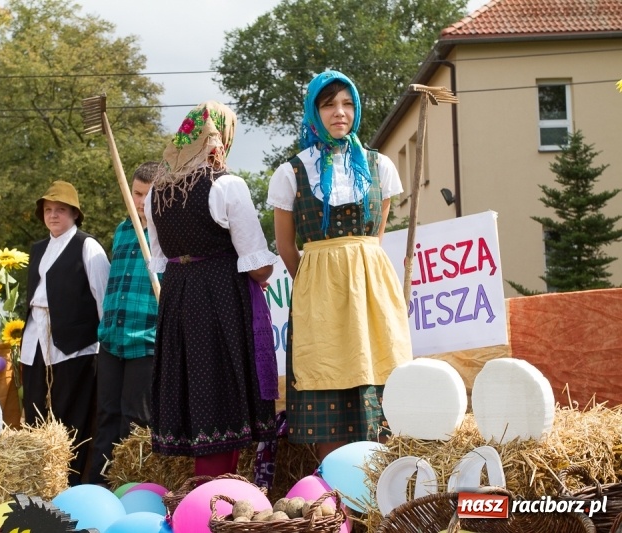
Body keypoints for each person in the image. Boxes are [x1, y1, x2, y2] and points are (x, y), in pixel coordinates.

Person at [267, 70, 413, 461]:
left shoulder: (379, 166)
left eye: (347, 103)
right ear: (314, 111)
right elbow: (285, 245)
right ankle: (335, 490)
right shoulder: (292, 171)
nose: (339, 112)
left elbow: (375, 235)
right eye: (329, 104)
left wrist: (360, 276)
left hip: (370, 285)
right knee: (326, 386)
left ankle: (381, 488)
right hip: (318, 289)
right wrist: (317, 282)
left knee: (378, 378)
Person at [145, 101, 279, 478]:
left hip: (177, 296)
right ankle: (212, 490)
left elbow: (160, 256)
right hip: (218, 294)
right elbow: (257, 262)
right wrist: (262, 271)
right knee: (221, 389)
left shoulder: (157, 192)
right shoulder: (226, 185)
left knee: (196, 386)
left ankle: (211, 484)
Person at [19, 180, 110, 486]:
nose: (53, 215)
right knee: (34, 417)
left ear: (74, 213)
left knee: (71, 422)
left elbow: (103, 298)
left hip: (76, 349)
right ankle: (38, 484)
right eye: (48, 210)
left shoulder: (88, 246)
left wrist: (105, 347)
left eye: (60, 210)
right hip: (36, 346)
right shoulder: (38, 249)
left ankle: (69, 486)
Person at [89, 161, 160, 485]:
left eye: (148, 194)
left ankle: (128, 487)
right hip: (112, 338)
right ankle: (98, 486)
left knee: (135, 422)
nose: (141, 201)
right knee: (106, 415)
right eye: (136, 193)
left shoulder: (166, 234)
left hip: (145, 340)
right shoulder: (122, 231)